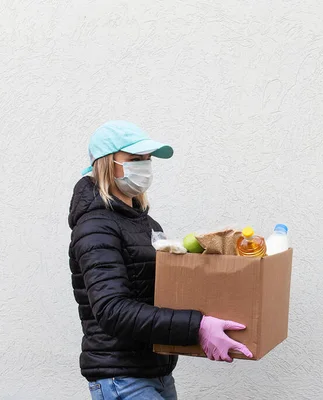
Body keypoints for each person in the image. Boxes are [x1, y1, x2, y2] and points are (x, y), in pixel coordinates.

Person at [68, 120, 252, 400]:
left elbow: (154, 292)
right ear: (108, 163)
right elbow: (112, 309)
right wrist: (196, 326)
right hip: (121, 378)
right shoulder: (96, 226)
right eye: (134, 159)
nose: (144, 166)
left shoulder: (145, 223)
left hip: (155, 371)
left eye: (147, 159)